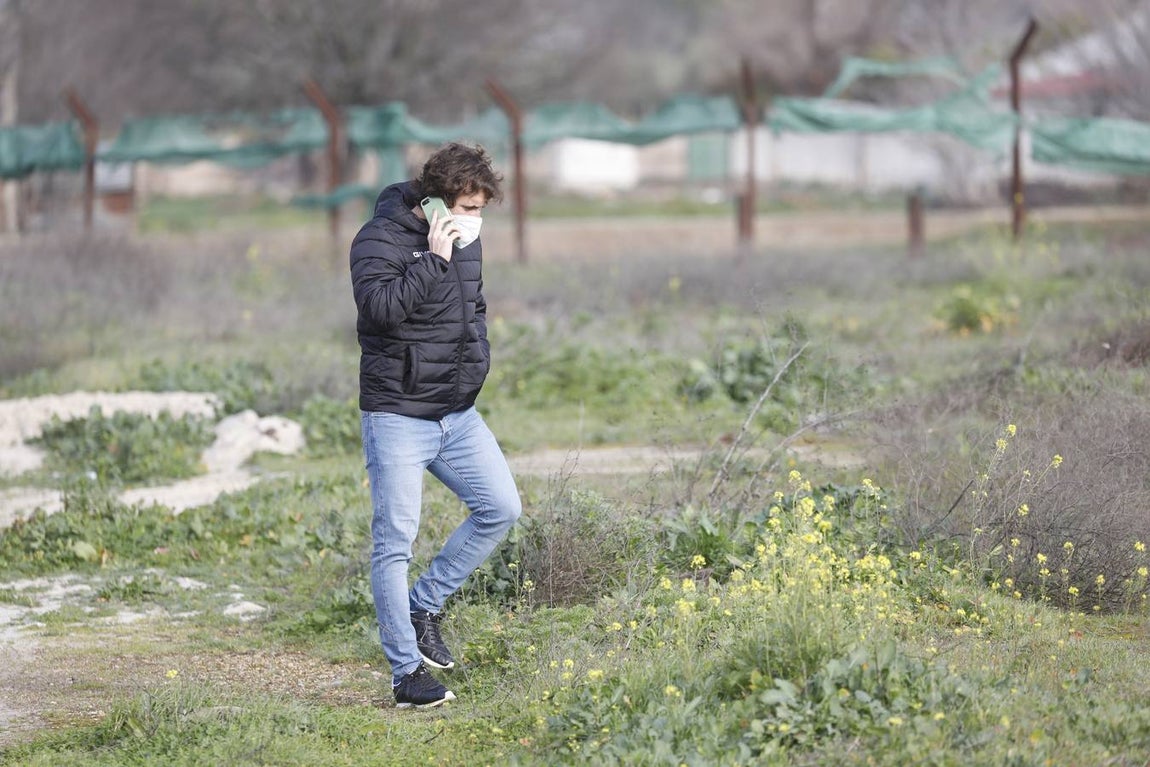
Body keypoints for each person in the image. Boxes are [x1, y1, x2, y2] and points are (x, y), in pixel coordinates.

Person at [349, 142, 522, 709]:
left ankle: (425, 604)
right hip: (398, 414)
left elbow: (474, 311)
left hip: (455, 412)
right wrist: (432, 259)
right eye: (468, 209)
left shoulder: (468, 244)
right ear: (437, 203)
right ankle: (405, 676)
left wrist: (476, 369)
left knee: (501, 507)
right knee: (394, 543)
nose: (476, 220)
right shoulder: (377, 239)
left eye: (481, 209)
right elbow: (379, 312)